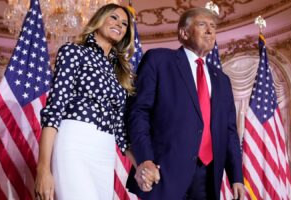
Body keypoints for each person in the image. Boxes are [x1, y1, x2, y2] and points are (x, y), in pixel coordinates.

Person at [126, 7, 245, 200]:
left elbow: (230, 131)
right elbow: (138, 112)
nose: (210, 31)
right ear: (184, 32)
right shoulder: (159, 60)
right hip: (163, 173)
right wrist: (145, 159)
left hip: (208, 177)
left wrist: (236, 177)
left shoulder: (222, 79)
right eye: (202, 25)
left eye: (213, 27)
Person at [35, 3, 136, 200]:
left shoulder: (121, 71)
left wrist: (142, 163)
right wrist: (43, 168)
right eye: (114, 17)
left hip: (105, 150)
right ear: (99, 19)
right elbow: (54, 109)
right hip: (74, 142)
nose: (120, 25)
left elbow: (121, 132)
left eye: (125, 23)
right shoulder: (73, 52)